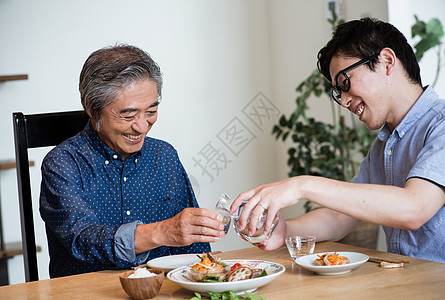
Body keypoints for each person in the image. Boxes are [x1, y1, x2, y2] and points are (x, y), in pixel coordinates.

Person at [230, 17, 445, 263]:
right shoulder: (383, 147)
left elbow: (414, 208)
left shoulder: (441, 125)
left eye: (345, 82)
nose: (343, 101)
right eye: (337, 92)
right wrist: (286, 231)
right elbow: (340, 217)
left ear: (386, 61)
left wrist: (301, 185)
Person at [40, 44, 225, 278]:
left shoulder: (164, 155)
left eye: (151, 112)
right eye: (128, 115)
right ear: (91, 107)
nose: (141, 126)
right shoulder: (63, 163)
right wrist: (162, 232)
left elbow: (194, 250)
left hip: (162, 291)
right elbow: (83, 239)